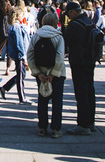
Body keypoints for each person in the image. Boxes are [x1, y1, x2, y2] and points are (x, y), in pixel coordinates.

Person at [27, 10, 66, 138]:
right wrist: (53, 74)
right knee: (57, 101)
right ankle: (56, 129)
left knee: (42, 100)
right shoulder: (58, 36)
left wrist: (37, 73)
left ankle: (42, 128)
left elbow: (30, 55)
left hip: (41, 73)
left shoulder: (36, 36)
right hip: (57, 73)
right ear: (55, 23)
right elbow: (60, 57)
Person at [62, 1, 98, 135]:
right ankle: (90, 122)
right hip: (90, 60)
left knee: (81, 92)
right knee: (90, 90)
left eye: (69, 14)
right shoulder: (89, 21)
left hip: (79, 61)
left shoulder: (75, 25)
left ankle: (83, 124)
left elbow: (67, 41)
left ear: (73, 12)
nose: (68, 17)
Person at [0, 9, 31, 104]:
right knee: (21, 76)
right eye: (21, 15)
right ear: (17, 16)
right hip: (20, 55)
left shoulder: (16, 26)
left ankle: (4, 88)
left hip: (19, 54)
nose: (22, 16)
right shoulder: (16, 27)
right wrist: (24, 57)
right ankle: (22, 97)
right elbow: (19, 43)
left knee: (21, 75)